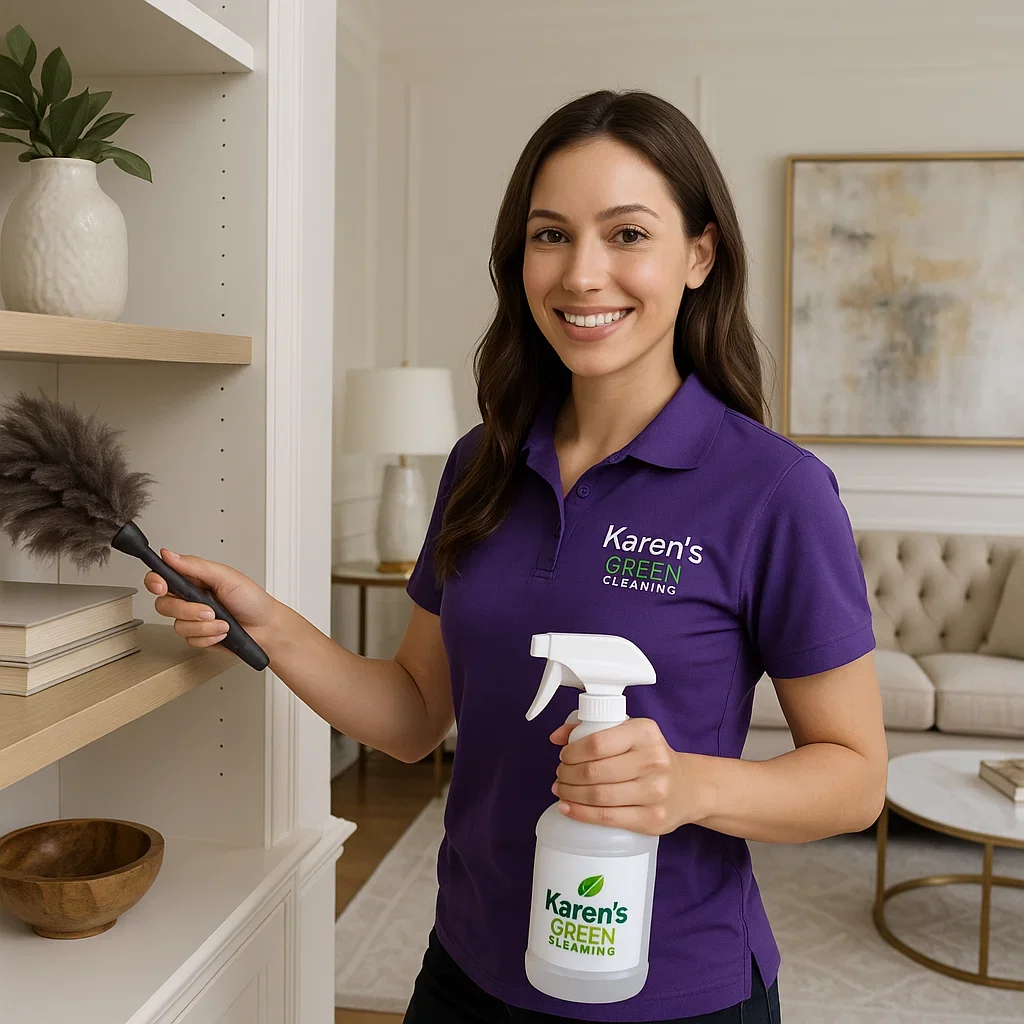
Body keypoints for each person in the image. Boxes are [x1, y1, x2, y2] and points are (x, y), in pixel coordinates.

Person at [145, 89, 887, 1023]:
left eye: (626, 234)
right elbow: (416, 716)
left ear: (699, 254)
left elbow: (855, 779)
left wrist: (690, 784)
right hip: (471, 967)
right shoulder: (480, 464)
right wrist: (269, 622)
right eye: (550, 235)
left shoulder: (774, 490)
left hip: (675, 994)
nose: (582, 274)